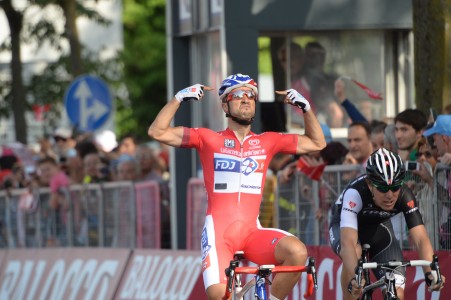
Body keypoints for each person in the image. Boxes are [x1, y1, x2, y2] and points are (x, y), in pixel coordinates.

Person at [148, 73, 326, 300]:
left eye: (251, 95)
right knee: (219, 295)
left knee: (297, 252)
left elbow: (318, 142)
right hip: (219, 234)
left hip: (252, 233)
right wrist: (179, 98)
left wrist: (306, 108)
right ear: (225, 104)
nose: (246, 99)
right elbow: (157, 131)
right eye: (238, 95)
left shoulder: (267, 141)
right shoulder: (208, 138)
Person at [329, 148, 445, 300]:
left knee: (397, 294)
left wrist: (431, 272)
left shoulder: (405, 195)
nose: (390, 195)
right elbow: (348, 243)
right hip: (345, 228)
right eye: (383, 188)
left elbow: (421, 238)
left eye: (395, 186)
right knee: (354, 258)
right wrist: (354, 277)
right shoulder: (355, 193)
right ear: (370, 184)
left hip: (378, 230)